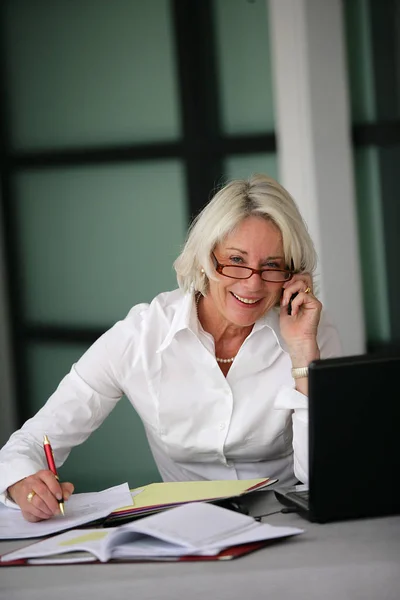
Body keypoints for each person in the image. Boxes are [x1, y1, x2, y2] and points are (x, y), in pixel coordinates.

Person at [0, 173, 341, 522]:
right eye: (236, 260)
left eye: (271, 266)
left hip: (290, 524)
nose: (252, 284)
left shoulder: (308, 333)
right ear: (206, 259)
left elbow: (324, 478)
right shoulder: (140, 337)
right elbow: (30, 442)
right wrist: (22, 481)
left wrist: (302, 352)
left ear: (292, 273)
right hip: (188, 533)